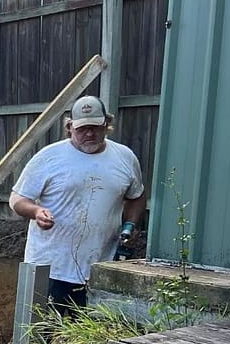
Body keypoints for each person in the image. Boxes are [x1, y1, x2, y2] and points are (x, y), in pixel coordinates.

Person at [9, 95, 146, 313]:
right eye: (82, 128)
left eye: (95, 127)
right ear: (70, 127)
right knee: (42, 336)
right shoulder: (49, 157)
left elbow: (137, 195)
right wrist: (36, 211)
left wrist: (130, 224)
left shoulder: (124, 158)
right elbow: (17, 199)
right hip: (50, 269)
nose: (89, 134)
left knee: (86, 339)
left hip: (101, 268)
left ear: (106, 125)